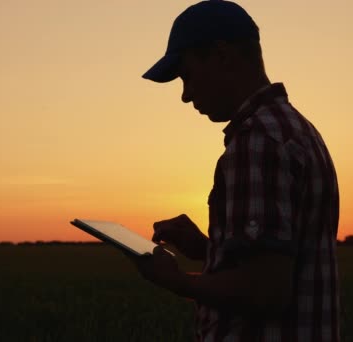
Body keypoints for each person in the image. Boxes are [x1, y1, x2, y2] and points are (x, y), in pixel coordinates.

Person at [132, 1, 340, 341]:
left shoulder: (257, 142)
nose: (185, 95)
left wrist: (177, 280)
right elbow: (282, 260)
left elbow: (266, 292)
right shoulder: (298, 130)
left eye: (187, 76)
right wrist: (207, 247)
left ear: (222, 56)